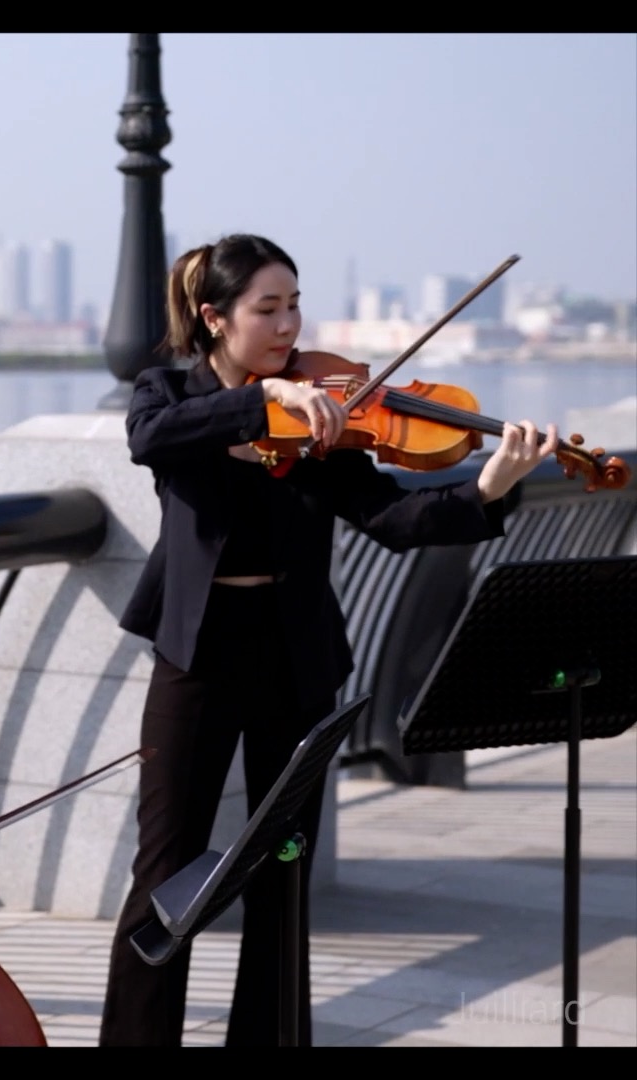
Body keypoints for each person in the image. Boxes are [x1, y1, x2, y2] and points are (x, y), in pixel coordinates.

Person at [101, 233, 560, 1046]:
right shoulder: (168, 391)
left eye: (294, 305)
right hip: (196, 657)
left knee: (285, 874)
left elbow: (389, 516)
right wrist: (264, 402)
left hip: (295, 652)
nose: (288, 325)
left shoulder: (329, 411)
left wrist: (486, 492)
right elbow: (150, 440)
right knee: (164, 874)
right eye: (266, 309)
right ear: (215, 319)